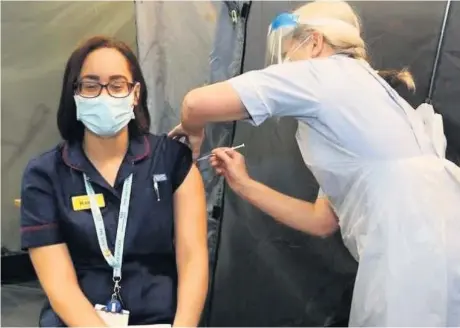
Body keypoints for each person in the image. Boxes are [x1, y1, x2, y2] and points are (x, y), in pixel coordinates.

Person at [168, 1, 460, 326]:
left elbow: (195, 103)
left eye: (290, 51)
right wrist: (245, 185)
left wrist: (193, 136)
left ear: (316, 42)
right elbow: (322, 221)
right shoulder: (364, 99)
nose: (287, 64)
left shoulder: (323, 74)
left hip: (412, 259)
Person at [20, 36, 208, 327]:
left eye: (117, 85)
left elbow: (193, 258)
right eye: (91, 85)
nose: (104, 95)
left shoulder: (173, 162)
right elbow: (60, 286)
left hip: (163, 319)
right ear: (75, 93)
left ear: (135, 94)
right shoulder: (44, 175)